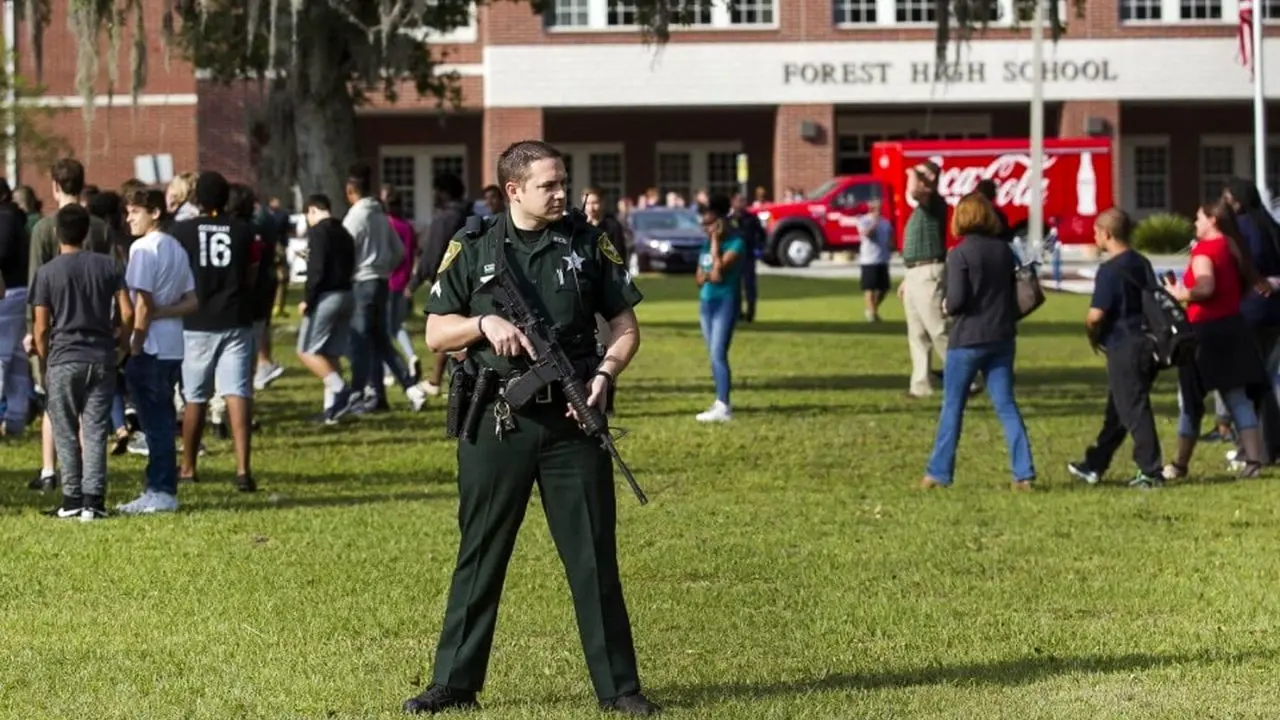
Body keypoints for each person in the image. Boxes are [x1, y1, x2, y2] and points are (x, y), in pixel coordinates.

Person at [402, 140, 659, 716]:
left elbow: (623, 324)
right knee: (481, 551)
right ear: (514, 190)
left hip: (574, 422)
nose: (562, 192)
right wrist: (482, 322)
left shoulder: (589, 243)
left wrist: (606, 374)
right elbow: (437, 333)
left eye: (563, 181)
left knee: (593, 554)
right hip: (498, 420)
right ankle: (454, 682)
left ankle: (619, 687)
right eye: (549, 185)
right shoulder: (472, 245)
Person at [921, 192, 1035, 490]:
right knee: (1007, 406)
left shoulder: (959, 254)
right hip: (1002, 337)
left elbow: (957, 300)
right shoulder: (1004, 251)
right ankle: (1023, 473)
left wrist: (946, 305)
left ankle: (938, 473)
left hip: (968, 339)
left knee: (953, 407)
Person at [30, 204, 134, 521]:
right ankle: (94, 501)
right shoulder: (108, 266)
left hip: (64, 356)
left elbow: (41, 325)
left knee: (64, 429)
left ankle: (72, 498)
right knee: (94, 431)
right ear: (87, 232)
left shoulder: (47, 273)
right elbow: (128, 311)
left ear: (55, 232)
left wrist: (45, 355)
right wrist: (123, 341)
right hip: (101, 355)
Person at [1161, 200, 1270, 479]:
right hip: (1233, 327)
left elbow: (1205, 286)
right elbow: (1241, 283)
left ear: (1212, 220)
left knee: (1190, 400)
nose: (1195, 223)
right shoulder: (1233, 246)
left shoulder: (1205, 251)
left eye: (1199, 218)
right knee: (1237, 397)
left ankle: (1179, 464)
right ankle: (1254, 462)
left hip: (1203, 332)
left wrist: (1180, 293)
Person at [25, 158, 113, 492]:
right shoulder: (101, 228)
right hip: (96, 330)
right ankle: (87, 483)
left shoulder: (43, 229)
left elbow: (36, 284)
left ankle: (51, 469)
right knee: (91, 414)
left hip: (55, 329)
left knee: (55, 402)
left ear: (55, 186)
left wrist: (31, 333)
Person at [169, 171, 260, 492]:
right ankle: (242, 469)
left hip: (197, 320)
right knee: (237, 392)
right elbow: (252, 273)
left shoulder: (182, 231)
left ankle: (189, 466)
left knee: (195, 396)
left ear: (198, 198)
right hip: (235, 317)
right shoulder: (244, 231)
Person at [1068, 208, 1164, 488]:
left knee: (1134, 410)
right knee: (1119, 410)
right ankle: (1095, 464)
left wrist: (1091, 334)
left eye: (1096, 231)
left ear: (1107, 234)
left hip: (1125, 346)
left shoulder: (1110, 270)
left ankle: (1150, 471)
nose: (1094, 236)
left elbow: (1095, 315)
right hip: (1149, 343)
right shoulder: (1142, 263)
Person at [116, 188, 198, 514]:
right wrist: (164, 312)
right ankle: (156, 487)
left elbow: (143, 303)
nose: (129, 218)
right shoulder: (176, 248)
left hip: (150, 346)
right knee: (160, 419)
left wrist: (134, 343)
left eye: (135, 211)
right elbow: (192, 300)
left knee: (156, 424)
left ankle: (162, 490)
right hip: (173, 345)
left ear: (154, 213)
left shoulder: (143, 249)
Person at [343, 162, 424, 413]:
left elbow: (346, 250)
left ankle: (358, 396)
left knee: (359, 342)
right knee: (380, 341)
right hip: (381, 282)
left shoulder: (356, 216)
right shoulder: (380, 215)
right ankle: (409, 388)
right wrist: (383, 266)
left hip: (362, 282)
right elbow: (399, 251)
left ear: (350, 191)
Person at [408, 173, 472, 398]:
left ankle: (462, 382)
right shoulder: (470, 214)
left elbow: (432, 254)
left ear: (443, 193)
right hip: (471, 278)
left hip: (448, 281)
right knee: (463, 331)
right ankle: (437, 380)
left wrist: (413, 284)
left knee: (448, 333)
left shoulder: (444, 218)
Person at [297, 193, 357, 423]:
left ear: (312, 210)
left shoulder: (318, 231)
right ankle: (332, 412)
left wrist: (308, 300)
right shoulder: (344, 232)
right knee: (330, 353)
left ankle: (341, 389)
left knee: (307, 351)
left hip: (326, 297)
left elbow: (317, 270)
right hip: (347, 294)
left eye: (307, 216)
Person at [899, 161, 951, 398]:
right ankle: (920, 385)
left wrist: (911, 172)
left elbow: (914, 191)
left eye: (922, 174)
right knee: (917, 333)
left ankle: (965, 377)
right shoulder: (924, 206)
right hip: (915, 272)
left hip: (928, 271)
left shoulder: (932, 201)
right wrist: (906, 279)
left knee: (937, 329)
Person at [695, 194, 745, 423]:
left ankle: (724, 404)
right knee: (713, 355)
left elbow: (717, 273)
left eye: (710, 224)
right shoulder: (705, 244)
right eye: (703, 225)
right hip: (706, 302)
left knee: (718, 353)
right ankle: (719, 400)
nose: (706, 229)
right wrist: (708, 273)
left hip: (726, 302)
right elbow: (699, 277)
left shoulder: (736, 243)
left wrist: (715, 242)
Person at [728, 190, 764, 323]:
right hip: (733, 258)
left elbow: (761, 234)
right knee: (734, 286)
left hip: (748, 256)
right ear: (733, 202)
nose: (742, 203)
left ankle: (751, 312)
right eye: (739, 201)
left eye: (743, 201)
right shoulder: (729, 220)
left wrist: (759, 248)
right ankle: (737, 313)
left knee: (749, 285)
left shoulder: (751, 218)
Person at [857, 199, 895, 323]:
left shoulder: (886, 223)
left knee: (884, 289)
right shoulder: (864, 221)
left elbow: (890, 238)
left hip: (883, 259)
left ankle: (872, 309)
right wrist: (874, 223)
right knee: (870, 288)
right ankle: (873, 314)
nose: (879, 211)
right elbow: (866, 234)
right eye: (876, 208)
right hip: (869, 259)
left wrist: (891, 246)